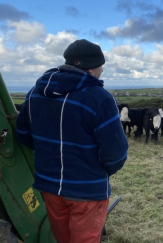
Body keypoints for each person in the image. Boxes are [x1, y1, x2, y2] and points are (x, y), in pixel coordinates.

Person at [16, 39, 129, 243]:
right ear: (91, 67)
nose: (102, 70)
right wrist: (99, 171)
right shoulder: (100, 98)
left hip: (49, 186)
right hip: (87, 190)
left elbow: (23, 134)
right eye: (100, 65)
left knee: (63, 239)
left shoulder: (35, 93)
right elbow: (116, 152)